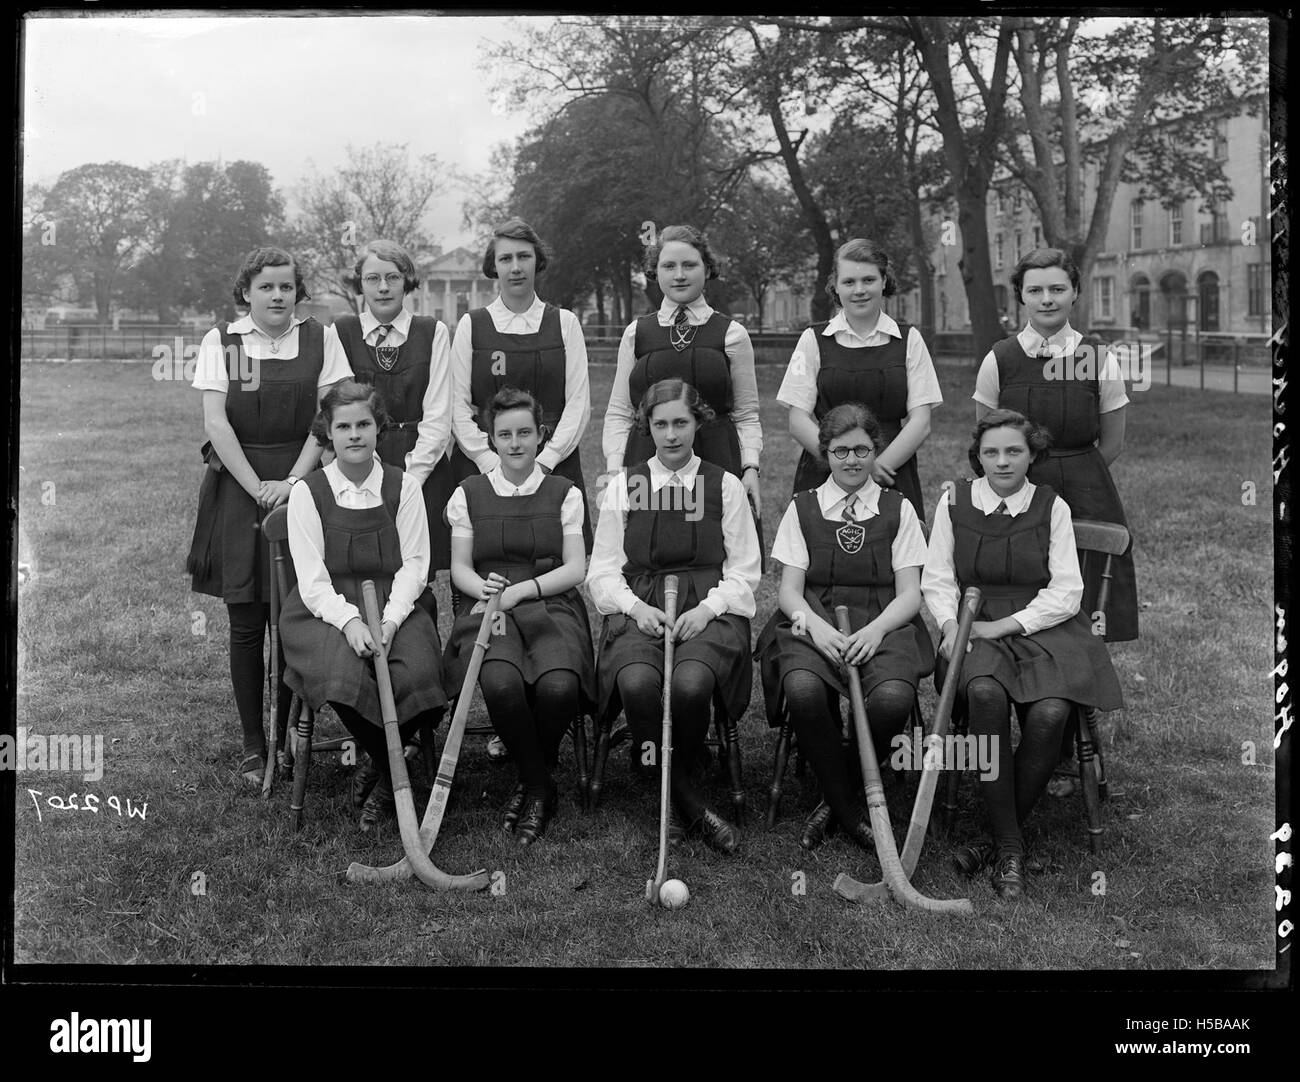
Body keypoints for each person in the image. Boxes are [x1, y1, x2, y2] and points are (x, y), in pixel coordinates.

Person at [921, 410, 1123, 900]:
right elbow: (938, 579)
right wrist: (953, 626)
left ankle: (991, 841)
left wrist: (1004, 625)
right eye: (991, 452)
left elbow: (1066, 591)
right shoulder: (955, 501)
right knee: (986, 695)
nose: (1002, 461)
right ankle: (1010, 847)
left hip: (1042, 624)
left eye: (1014, 451)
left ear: (1032, 455)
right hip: (972, 625)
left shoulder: (1050, 504)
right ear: (978, 457)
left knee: (1052, 713)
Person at [187, 246, 353, 785]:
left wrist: (294, 481)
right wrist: (257, 485)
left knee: (290, 615)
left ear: (296, 292)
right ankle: (253, 746)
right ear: (247, 293)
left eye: (286, 287)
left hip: (301, 484)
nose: (277, 296)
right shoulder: (224, 341)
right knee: (246, 620)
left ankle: (286, 738)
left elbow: (330, 419)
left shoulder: (320, 338)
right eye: (266, 288)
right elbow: (217, 423)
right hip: (239, 486)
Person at [587, 379, 761, 854]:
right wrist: (635, 609)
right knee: (640, 684)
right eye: (660, 424)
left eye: (680, 423)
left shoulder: (723, 485)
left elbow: (745, 571)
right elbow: (602, 571)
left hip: (708, 608)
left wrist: (706, 611)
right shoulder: (627, 485)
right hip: (641, 605)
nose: (670, 435)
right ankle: (684, 798)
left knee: (689, 685)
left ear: (697, 422)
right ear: (647, 427)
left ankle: (672, 769)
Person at [756, 403, 934, 849]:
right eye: (840, 451)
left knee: (892, 699)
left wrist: (875, 632)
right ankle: (848, 808)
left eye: (861, 450)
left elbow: (910, 593)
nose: (851, 461)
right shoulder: (804, 508)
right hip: (815, 618)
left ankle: (838, 797)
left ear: (876, 451)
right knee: (802, 689)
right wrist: (817, 630)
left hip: (884, 621)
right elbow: (789, 592)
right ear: (825, 454)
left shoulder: (899, 509)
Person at [278, 380, 447, 831]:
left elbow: (415, 565)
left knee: (419, 672)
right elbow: (311, 579)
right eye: (343, 426)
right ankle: (394, 769)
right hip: (325, 609)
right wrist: (349, 621)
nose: (354, 434)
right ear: (328, 434)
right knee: (343, 674)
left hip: (397, 603)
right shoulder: (308, 492)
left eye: (364, 424)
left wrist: (390, 621)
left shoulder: (404, 486)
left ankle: (380, 771)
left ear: (379, 428)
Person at [443, 387, 594, 846]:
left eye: (524, 433)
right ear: (490, 439)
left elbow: (576, 568)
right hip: (491, 604)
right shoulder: (468, 493)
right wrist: (484, 590)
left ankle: (532, 776)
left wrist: (523, 591)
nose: (515, 443)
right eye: (504, 434)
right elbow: (460, 568)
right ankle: (540, 786)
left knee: (559, 685)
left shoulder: (563, 492)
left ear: (541, 436)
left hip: (550, 599)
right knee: (501, 683)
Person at [972, 247, 1137, 643]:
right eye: (1036, 290)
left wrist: (1080, 473)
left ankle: (1086, 666)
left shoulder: (1098, 357)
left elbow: (1113, 441)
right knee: (1020, 574)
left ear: (1075, 292)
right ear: (1022, 296)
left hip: (1085, 485)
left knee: (1088, 575)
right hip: (1016, 487)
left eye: (1058, 289)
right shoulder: (1000, 358)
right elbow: (986, 439)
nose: (1047, 299)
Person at [601, 224, 763, 521]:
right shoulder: (636, 334)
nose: (679, 275)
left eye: (689, 265)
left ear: (707, 268)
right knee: (647, 548)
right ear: (655, 271)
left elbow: (747, 413)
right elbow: (619, 411)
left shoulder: (733, 334)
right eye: (669, 266)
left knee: (716, 551)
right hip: (647, 458)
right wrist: (616, 470)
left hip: (716, 458)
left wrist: (750, 467)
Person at [448, 218, 593, 551]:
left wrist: (545, 460)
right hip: (486, 461)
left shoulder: (565, 323)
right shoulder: (472, 325)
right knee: (486, 560)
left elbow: (578, 403)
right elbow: (456, 404)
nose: (515, 267)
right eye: (505, 258)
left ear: (537, 262)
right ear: (493, 267)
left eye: (524, 257)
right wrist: (489, 461)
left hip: (553, 460)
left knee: (552, 559)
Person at [777, 237, 942, 520]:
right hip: (825, 469)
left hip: (891, 470)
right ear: (835, 286)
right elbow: (797, 419)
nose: (859, 290)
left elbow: (921, 421)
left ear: (883, 282)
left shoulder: (909, 340)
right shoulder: (812, 339)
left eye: (868, 280)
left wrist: (875, 468)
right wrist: (841, 460)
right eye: (849, 282)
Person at [327, 239, 455, 577]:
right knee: (366, 564)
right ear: (360, 284)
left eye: (393, 277)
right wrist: (374, 473)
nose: (383, 287)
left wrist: (411, 480)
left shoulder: (432, 332)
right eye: (372, 279)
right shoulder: (341, 332)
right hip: (361, 464)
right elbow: (341, 408)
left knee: (418, 570)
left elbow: (439, 413)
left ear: (407, 281)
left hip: (423, 466)